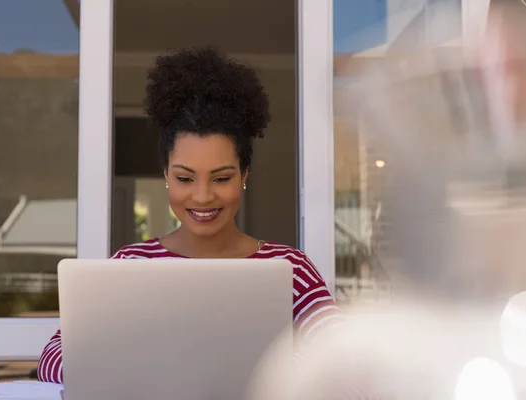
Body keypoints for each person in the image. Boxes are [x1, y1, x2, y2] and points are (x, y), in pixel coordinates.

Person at [37, 45, 342, 384]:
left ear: (244, 175)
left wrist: (279, 369)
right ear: (166, 175)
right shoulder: (129, 266)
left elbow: (345, 358)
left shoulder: (292, 270)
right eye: (184, 178)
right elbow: (53, 357)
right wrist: (130, 367)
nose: (202, 196)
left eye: (222, 178)